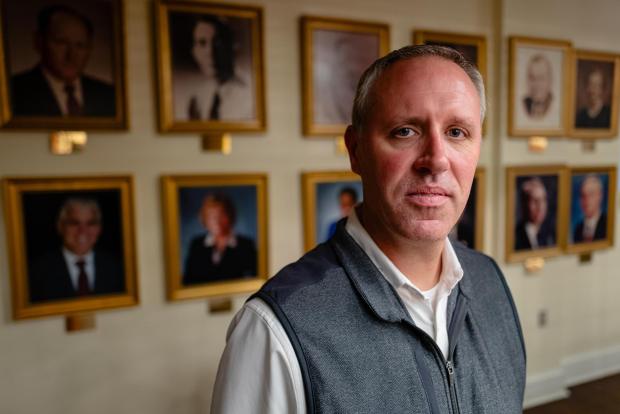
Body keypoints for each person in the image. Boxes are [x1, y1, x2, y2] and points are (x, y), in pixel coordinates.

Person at [212, 45, 525, 413]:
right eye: (405, 131)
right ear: (355, 150)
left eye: (457, 132)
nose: (436, 160)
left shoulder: (490, 281)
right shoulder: (275, 330)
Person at [10, 5, 115, 117]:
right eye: (61, 42)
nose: (71, 55)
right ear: (39, 42)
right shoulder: (14, 92)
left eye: (80, 45)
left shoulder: (109, 95)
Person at [28, 198, 124, 303]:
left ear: (99, 228)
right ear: (60, 226)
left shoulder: (117, 268)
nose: (82, 231)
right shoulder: (37, 271)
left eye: (90, 223)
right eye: (74, 223)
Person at [173, 15, 254, 121]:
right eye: (202, 43)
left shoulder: (251, 94)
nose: (210, 52)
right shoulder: (198, 99)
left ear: (232, 46)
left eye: (218, 43)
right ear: (193, 51)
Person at [183, 194, 257, 284]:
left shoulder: (246, 245)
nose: (216, 220)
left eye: (221, 214)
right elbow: (188, 281)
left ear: (230, 216)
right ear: (204, 218)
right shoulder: (196, 244)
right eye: (211, 215)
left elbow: (253, 280)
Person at [514, 177, 556, 250]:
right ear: (524, 204)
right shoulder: (515, 236)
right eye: (535, 200)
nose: (540, 206)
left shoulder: (551, 234)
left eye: (543, 200)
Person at [573, 174, 607, 242]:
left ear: (600, 196)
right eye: (583, 195)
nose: (587, 200)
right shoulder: (578, 229)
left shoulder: (608, 224)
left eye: (591, 194)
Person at [523, 54, 553, 118]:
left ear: (549, 81)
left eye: (541, 78)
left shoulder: (554, 103)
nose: (536, 84)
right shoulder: (524, 103)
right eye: (532, 78)